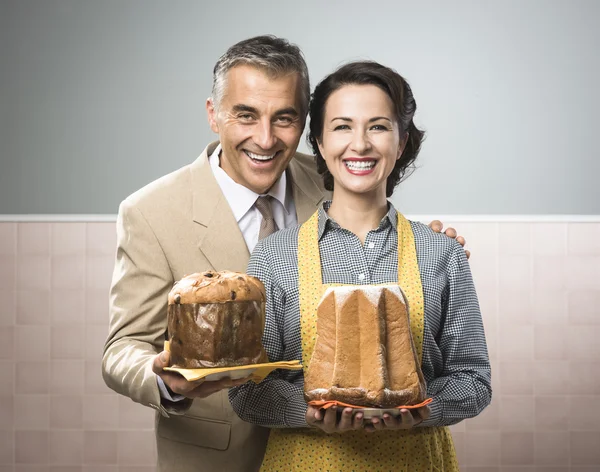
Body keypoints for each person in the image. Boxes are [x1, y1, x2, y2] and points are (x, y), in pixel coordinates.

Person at [102, 36, 469, 472]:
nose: (265, 138)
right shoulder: (150, 212)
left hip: (338, 454)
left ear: (305, 126)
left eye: (284, 118)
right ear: (213, 115)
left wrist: (428, 249)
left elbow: (379, 252)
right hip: (216, 453)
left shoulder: (331, 178)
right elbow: (123, 347)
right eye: (245, 115)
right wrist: (167, 382)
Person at [229, 60, 491, 471]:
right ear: (317, 141)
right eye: (342, 126)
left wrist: (425, 408)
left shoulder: (441, 253)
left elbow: (473, 379)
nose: (361, 144)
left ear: (401, 142)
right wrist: (309, 411)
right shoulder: (273, 257)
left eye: (379, 126)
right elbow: (246, 393)